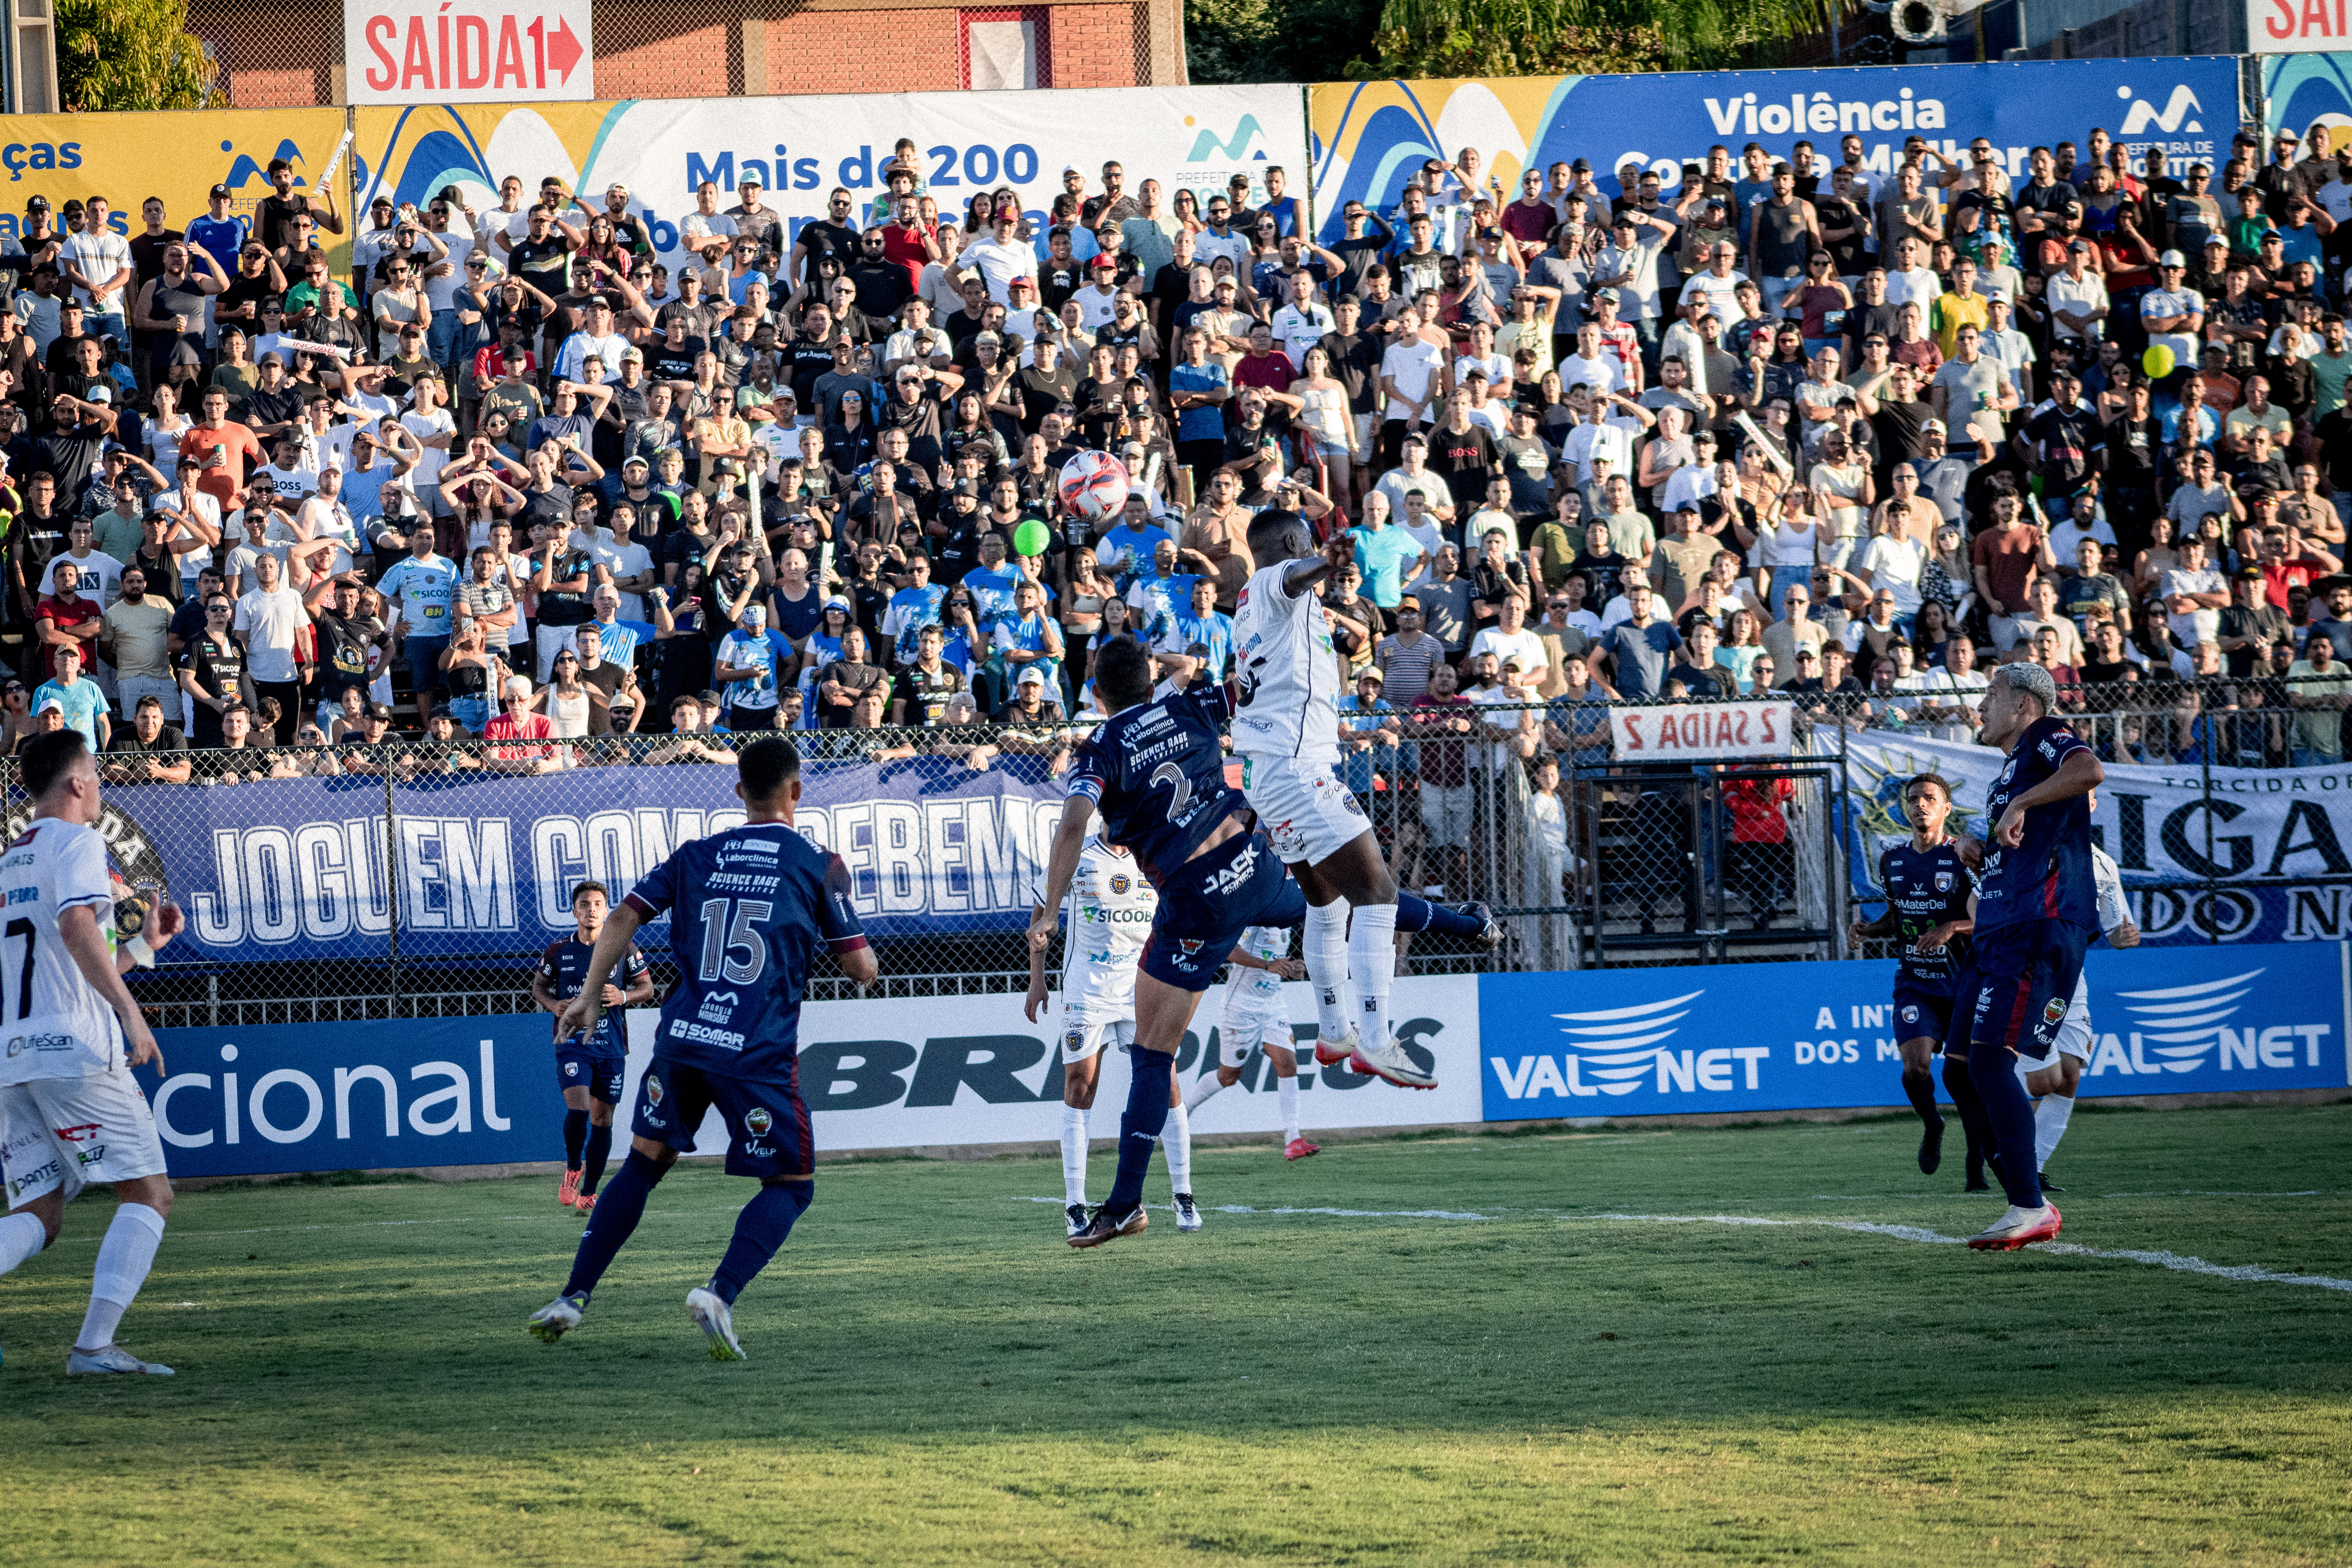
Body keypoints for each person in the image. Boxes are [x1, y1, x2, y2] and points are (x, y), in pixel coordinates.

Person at [528, 736, 878, 1360]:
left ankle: (572, 1297)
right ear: (796, 791)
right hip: (756, 1049)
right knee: (793, 1185)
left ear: (739, 791)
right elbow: (861, 969)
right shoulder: (819, 863)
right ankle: (719, 1293)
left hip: (684, 1039)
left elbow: (622, 919)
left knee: (643, 1164)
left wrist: (585, 996)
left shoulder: (695, 855)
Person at [1027, 639, 1308, 1248]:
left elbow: (1073, 822)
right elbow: (1248, 686)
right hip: (1237, 881)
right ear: (1152, 676)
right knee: (1330, 898)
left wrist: (1047, 914)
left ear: (1095, 694)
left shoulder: (1098, 749)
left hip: (1187, 910)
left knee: (1158, 1066)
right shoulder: (1190, 703)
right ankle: (1433, 946)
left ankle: (1149, 1201)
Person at [0, 730, 189, 1377]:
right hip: (75, 1048)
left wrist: (143, 949)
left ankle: (96, 1351)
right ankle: (93, 1350)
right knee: (149, 1193)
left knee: (38, 1215)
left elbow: (71, 959)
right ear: (78, 782)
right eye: (98, 776)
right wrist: (131, 1013)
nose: (101, 788)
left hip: (14, 1054)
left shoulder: (10, 860)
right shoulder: (79, 841)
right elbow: (78, 929)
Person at [1229, 511, 1432, 1091]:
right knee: (1378, 893)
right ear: (1295, 544)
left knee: (1328, 905)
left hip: (1276, 768)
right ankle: (1375, 1038)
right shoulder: (1272, 583)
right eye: (1309, 545)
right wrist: (1332, 563)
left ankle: (1333, 1029)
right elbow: (1295, 576)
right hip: (1297, 772)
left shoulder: (1261, 607)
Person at [1958, 661, 2102, 1252]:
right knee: (1963, 1061)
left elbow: (2090, 769)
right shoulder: (2007, 773)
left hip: (2035, 926)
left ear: (2023, 704)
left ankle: (2029, 1204)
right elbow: (2020, 839)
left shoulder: (2046, 736)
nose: (1981, 706)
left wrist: (2017, 808)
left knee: (1991, 1061)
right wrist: (1980, 845)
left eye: (1991, 695)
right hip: (2003, 926)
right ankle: (2023, 1195)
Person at [1020, 818, 1199, 1238]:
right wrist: (1037, 977)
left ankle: (1184, 1195)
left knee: (1166, 1082)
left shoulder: (1155, 856)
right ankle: (1075, 1206)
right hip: (1088, 991)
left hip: (1145, 988)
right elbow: (1040, 915)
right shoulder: (1077, 858)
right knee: (1080, 1086)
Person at [1847, 774, 1978, 1175]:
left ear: (1946, 809)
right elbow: (1896, 918)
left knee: (1967, 1080)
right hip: (1915, 984)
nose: (1920, 804)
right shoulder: (1893, 860)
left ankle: (1977, 1162)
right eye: (1914, 799)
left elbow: (1990, 916)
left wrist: (1951, 927)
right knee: (1916, 1067)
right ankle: (1933, 1123)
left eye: (1930, 798)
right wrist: (1869, 929)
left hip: (1962, 985)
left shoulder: (1964, 856)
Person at [2022, 812, 2137, 1192]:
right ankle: (1994, 1114)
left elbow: (2115, 932)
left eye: (2086, 795)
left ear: (2093, 803)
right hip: (2027, 970)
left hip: (2073, 972)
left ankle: (2030, 1168)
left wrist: (2125, 938)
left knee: (2069, 1076)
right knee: (2042, 1082)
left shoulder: (2103, 864)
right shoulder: (2026, 848)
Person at [532, 881, 657, 1216]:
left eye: (598, 904)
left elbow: (648, 987)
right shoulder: (558, 951)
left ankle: (589, 1193)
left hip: (611, 1044)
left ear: (606, 910)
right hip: (572, 1040)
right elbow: (539, 987)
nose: (591, 910)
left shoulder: (624, 948)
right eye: (584, 904)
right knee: (580, 1109)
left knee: (603, 1119)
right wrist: (554, 1004)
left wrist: (624, 996)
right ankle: (574, 1166)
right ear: (574, 911)